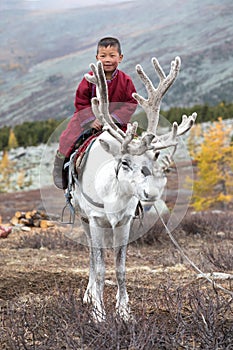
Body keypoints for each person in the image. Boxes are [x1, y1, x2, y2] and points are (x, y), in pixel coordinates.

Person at [53, 37, 138, 189]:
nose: (107, 60)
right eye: (103, 56)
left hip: (116, 123)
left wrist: (112, 119)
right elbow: (80, 101)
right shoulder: (89, 79)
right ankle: (61, 169)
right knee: (67, 139)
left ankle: (138, 176)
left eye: (112, 55)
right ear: (97, 58)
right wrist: (92, 120)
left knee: (133, 144)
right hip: (88, 120)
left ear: (120, 57)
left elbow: (131, 103)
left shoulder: (125, 81)